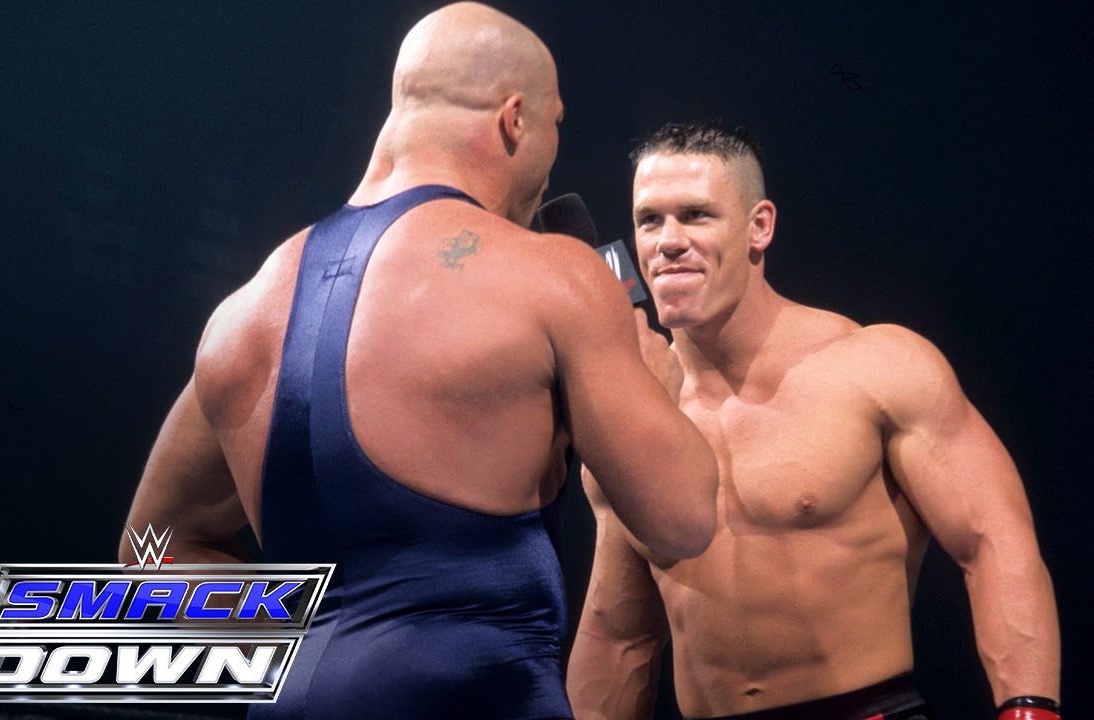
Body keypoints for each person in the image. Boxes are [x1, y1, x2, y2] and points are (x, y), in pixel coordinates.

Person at [118, 6, 719, 719]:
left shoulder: (241, 314)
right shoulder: (552, 274)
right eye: (556, 123)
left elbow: (145, 554)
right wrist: (654, 386)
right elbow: (682, 520)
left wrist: (315, 643)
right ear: (515, 120)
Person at [567, 121, 1061, 720]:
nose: (669, 241)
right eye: (650, 220)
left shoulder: (876, 367)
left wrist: (1029, 710)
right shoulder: (637, 422)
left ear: (759, 226)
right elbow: (619, 635)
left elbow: (993, 542)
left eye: (696, 215)